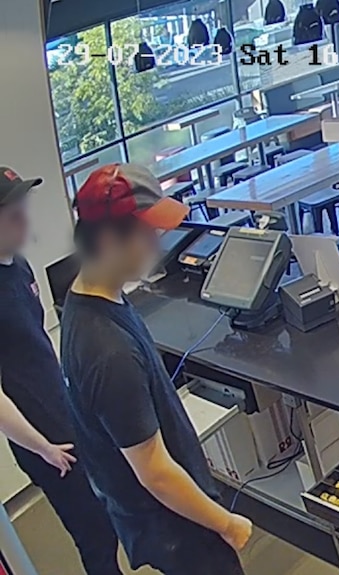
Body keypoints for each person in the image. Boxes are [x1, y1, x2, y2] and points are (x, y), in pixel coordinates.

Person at [60, 164, 252, 575]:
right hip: (176, 529)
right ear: (110, 238)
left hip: (161, 521)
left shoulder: (92, 299)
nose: (157, 240)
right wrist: (227, 523)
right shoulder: (107, 350)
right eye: (147, 231)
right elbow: (156, 473)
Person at [0, 167, 123, 575]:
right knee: (94, 535)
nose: (24, 219)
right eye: (12, 213)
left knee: (110, 516)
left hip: (67, 415)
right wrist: (43, 448)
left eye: (22, 208)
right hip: (44, 442)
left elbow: (34, 346)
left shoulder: (18, 266)